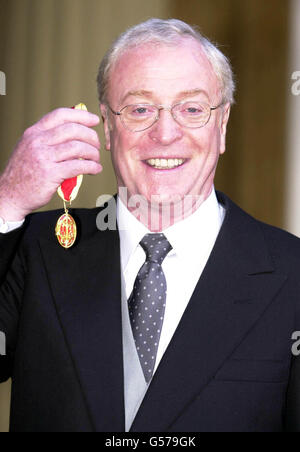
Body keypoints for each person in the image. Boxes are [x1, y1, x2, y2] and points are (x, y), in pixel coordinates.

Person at [0, 18, 299, 432]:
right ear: (107, 124)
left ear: (222, 124)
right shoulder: (35, 248)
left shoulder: (292, 273)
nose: (164, 133)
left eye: (191, 109)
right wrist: (7, 200)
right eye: (140, 109)